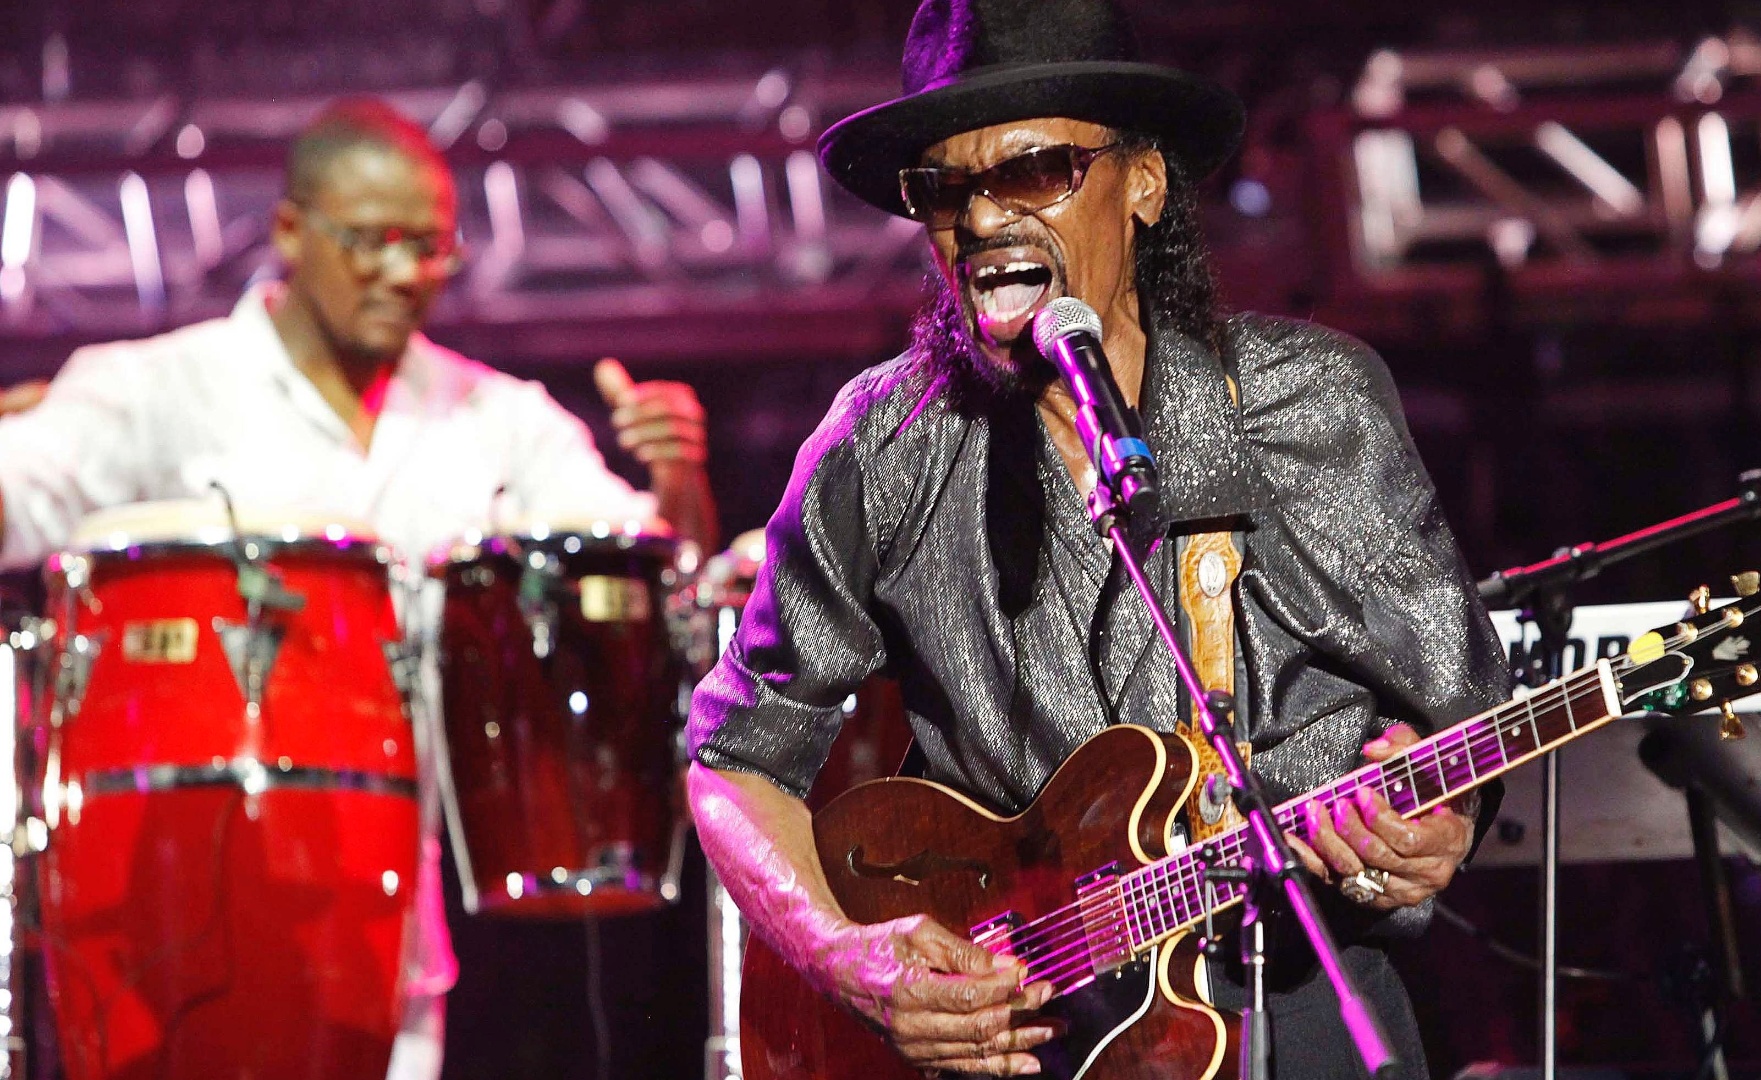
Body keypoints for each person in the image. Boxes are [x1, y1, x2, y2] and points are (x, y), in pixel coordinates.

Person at [685, 1, 1511, 1077]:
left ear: (1146, 186)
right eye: (945, 189)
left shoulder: (1309, 405)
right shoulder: (881, 446)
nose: (982, 220)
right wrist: (849, 960)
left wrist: (1434, 824)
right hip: (1022, 1038)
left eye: (1033, 171)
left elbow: (1452, 729)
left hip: (1293, 1004)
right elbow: (733, 763)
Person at [0, 98, 719, 1078]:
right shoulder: (160, 388)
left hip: (391, 915)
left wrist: (677, 481)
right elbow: (21, 491)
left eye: (430, 248)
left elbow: (654, 585)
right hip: (159, 901)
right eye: (371, 242)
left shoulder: (499, 419)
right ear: (291, 230)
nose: (403, 273)